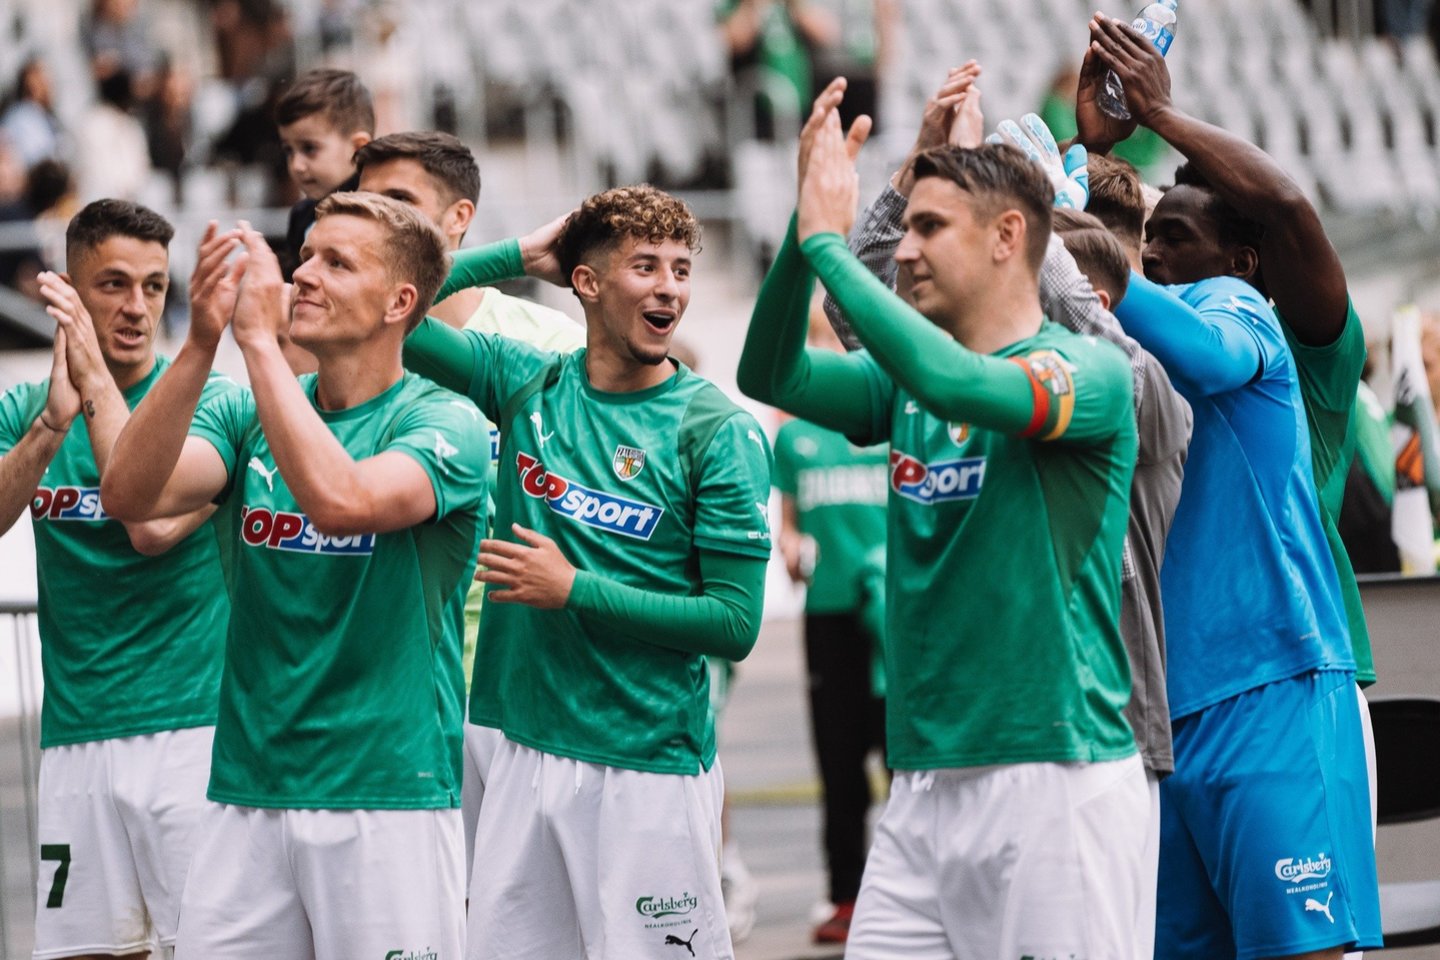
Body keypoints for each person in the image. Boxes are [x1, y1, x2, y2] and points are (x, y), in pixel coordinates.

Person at [741, 80, 1146, 959]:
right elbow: (770, 375)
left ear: (1008, 237)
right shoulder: (908, 385)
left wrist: (828, 243)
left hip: (1053, 774)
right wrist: (803, 232)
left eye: (929, 228)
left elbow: (959, 383)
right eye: (907, 226)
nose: (905, 248)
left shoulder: (1088, 372)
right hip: (923, 782)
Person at [99, 195, 488, 959]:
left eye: (336, 263)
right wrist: (202, 340)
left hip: (386, 794)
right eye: (305, 256)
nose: (302, 274)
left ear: (399, 303)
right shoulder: (249, 413)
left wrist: (258, 345)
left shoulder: (446, 422)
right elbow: (130, 495)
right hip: (246, 792)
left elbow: (344, 502)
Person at [400, 183, 773, 960]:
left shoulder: (717, 429)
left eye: (680, 269)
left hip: (645, 764)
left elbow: (735, 624)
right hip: (519, 746)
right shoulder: (527, 382)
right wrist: (514, 255)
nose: (669, 287)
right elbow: (388, 310)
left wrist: (574, 590)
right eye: (645, 266)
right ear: (587, 282)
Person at [1087, 15, 1383, 958]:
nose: (1152, 257)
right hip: (1168, 703)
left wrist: (1161, 116)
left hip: (1284, 675)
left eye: (1173, 238)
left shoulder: (1296, 341)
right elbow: (1072, 261)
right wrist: (1088, 144)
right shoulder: (1141, 349)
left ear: (1245, 264)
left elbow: (1287, 208)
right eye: (1149, 241)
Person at [0, 199, 231, 960]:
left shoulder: (213, 405)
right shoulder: (28, 410)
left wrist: (92, 382)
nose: (138, 307)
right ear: (70, 290)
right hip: (76, 737)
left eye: (155, 287)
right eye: (114, 285)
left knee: (203, 949)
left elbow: (150, 527)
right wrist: (48, 427)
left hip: (191, 732)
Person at [353, 128, 585, 886]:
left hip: (520, 685)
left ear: (459, 219)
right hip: (391, 687)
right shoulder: (355, 351)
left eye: (399, 202)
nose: (378, 222)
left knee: (518, 915)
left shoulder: (548, 341)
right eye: (365, 204)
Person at [772, 308, 888, 945]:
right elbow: (789, 521)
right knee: (839, 760)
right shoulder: (795, 436)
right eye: (817, 339)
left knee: (904, 754)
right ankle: (846, 894)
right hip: (830, 614)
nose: (829, 349)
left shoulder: (892, 422)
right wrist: (790, 547)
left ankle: (917, 886)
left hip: (897, 614)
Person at [275, 68, 373, 279]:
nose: (297, 165)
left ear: (358, 147)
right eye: (289, 151)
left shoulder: (374, 214)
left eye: (309, 148)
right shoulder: (301, 215)